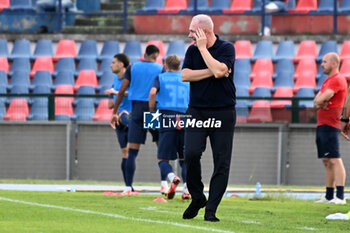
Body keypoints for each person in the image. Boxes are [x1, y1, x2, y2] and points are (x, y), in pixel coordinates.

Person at [181, 14, 236, 222]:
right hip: (197, 111)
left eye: (192, 31)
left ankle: (211, 209)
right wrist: (213, 70)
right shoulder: (191, 50)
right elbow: (185, 75)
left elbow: (222, 71)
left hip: (224, 112)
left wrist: (204, 50)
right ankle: (197, 197)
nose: (188, 35)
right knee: (191, 153)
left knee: (221, 162)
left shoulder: (227, 48)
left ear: (203, 31)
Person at [110, 45, 162, 194]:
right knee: (161, 150)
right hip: (152, 109)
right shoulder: (159, 68)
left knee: (132, 152)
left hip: (137, 109)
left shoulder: (133, 67)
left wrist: (115, 111)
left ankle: (127, 187)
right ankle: (164, 184)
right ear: (156, 55)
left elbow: (121, 91)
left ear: (145, 54)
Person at [149, 54, 190, 200]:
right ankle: (187, 190)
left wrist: (152, 112)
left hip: (167, 117)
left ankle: (172, 177)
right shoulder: (186, 79)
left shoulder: (160, 77)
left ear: (165, 66)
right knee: (185, 159)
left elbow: (153, 93)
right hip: (185, 118)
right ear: (180, 66)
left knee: (162, 159)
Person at [314, 52, 347, 205]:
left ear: (334, 63)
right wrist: (320, 102)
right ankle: (329, 195)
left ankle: (340, 196)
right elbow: (316, 101)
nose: (322, 64)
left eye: (325, 62)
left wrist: (321, 102)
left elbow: (320, 99)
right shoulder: (327, 81)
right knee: (327, 160)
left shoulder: (337, 80)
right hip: (322, 123)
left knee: (334, 159)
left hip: (331, 124)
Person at [104, 53, 132, 189]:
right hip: (119, 117)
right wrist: (112, 95)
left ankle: (165, 180)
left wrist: (116, 93)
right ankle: (128, 186)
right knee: (125, 152)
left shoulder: (131, 79)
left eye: (113, 62)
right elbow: (110, 104)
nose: (111, 64)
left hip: (130, 116)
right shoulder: (115, 80)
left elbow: (134, 93)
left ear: (121, 65)